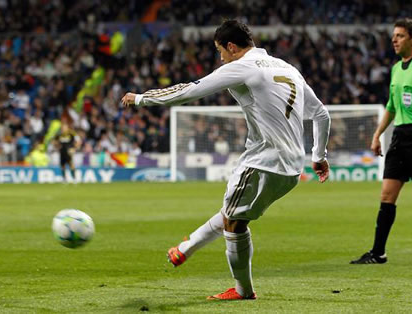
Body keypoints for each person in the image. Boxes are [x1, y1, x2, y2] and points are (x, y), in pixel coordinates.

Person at [121, 20, 331, 300]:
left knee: (234, 222)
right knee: (234, 212)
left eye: (221, 51)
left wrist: (141, 99)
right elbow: (322, 115)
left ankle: (243, 290)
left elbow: (188, 90)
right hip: (293, 168)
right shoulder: (287, 68)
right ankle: (186, 248)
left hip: (262, 162)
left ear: (232, 47)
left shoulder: (242, 66)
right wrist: (319, 156)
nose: (220, 58)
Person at [351, 18, 412, 265]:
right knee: (386, 194)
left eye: (400, 36)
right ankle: (378, 252)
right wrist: (377, 134)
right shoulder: (396, 69)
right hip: (400, 136)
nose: (394, 40)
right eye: (394, 35)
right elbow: (392, 107)